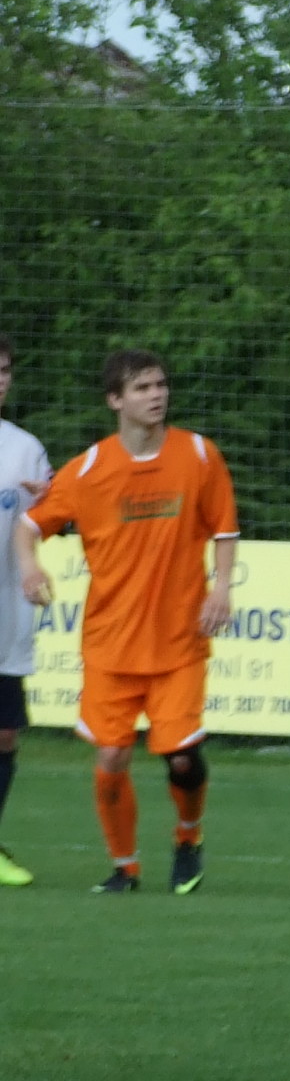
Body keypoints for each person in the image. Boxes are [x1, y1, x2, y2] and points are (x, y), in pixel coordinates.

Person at [12, 350, 237, 895]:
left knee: (182, 757)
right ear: (115, 400)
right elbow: (28, 525)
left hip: (179, 640)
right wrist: (29, 566)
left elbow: (225, 530)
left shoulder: (199, 455)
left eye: (160, 385)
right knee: (111, 754)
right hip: (111, 643)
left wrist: (222, 588)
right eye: (142, 388)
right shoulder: (88, 470)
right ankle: (125, 867)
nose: (156, 395)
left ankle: (188, 837)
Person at [0, 335, 45, 888]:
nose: (0, 380)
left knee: (5, 735)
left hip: (5, 615)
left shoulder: (24, 449)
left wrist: (51, 502)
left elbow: (45, 518)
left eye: (6, 370)